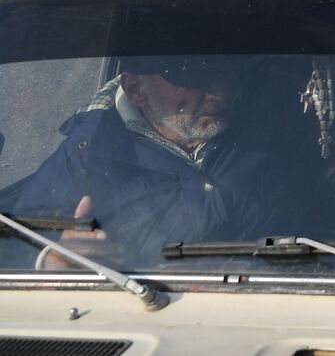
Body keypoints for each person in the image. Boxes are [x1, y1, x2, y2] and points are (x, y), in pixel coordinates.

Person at [12, 56, 276, 260]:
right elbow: (14, 247)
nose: (219, 95)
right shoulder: (88, 153)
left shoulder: (270, 125)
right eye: (194, 81)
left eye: (225, 75)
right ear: (136, 89)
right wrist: (56, 259)